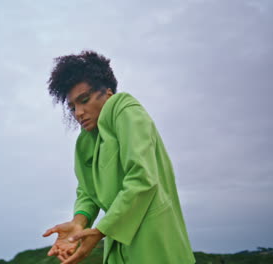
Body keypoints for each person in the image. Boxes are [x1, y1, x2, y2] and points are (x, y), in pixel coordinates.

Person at [42, 51, 195, 264]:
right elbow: (87, 192)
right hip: (118, 246)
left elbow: (141, 178)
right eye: (72, 107)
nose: (78, 113)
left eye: (84, 100)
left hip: (155, 242)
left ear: (108, 93)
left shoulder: (124, 108)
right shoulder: (85, 141)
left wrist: (101, 230)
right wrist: (79, 223)